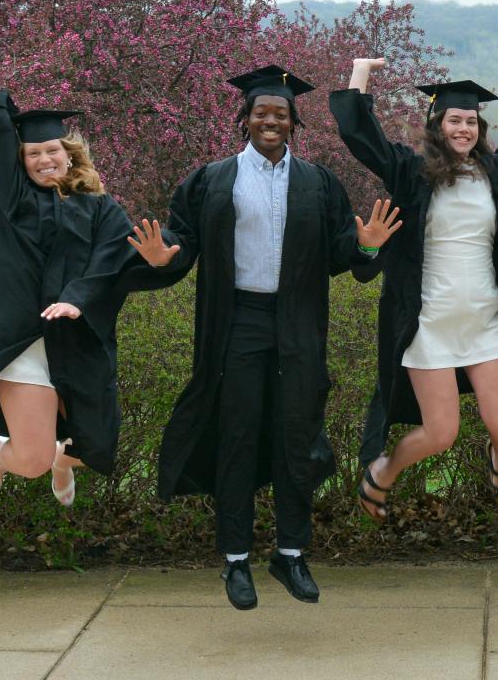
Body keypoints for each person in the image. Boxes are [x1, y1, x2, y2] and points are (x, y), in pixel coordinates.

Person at [125, 65, 402, 610]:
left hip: (297, 322)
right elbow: (180, 238)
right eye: (260, 112)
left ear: (294, 122)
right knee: (237, 435)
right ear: (244, 119)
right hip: (236, 322)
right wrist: (162, 259)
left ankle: (291, 553)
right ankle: (235, 561)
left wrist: (367, 247)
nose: (270, 120)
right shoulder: (212, 178)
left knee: (296, 436)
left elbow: (341, 251)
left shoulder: (318, 183)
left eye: (280, 113)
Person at [328, 60, 498, 520]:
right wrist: (359, 76)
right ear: (437, 124)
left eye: (471, 121)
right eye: (455, 120)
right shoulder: (412, 173)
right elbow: (362, 139)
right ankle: (384, 470)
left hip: (484, 321)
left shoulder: (496, 174)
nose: (464, 128)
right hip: (430, 323)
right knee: (441, 434)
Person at [0, 34, 173, 506]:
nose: (43, 159)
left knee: (91, 440)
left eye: (52, 150)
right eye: (33, 154)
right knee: (30, 461)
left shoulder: (100, 207)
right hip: (21, 338)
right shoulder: (13, 200)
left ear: (70, 153)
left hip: (76, 340)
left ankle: (62, 459)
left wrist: (81, 296)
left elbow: (112, 259)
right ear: (23, 162)